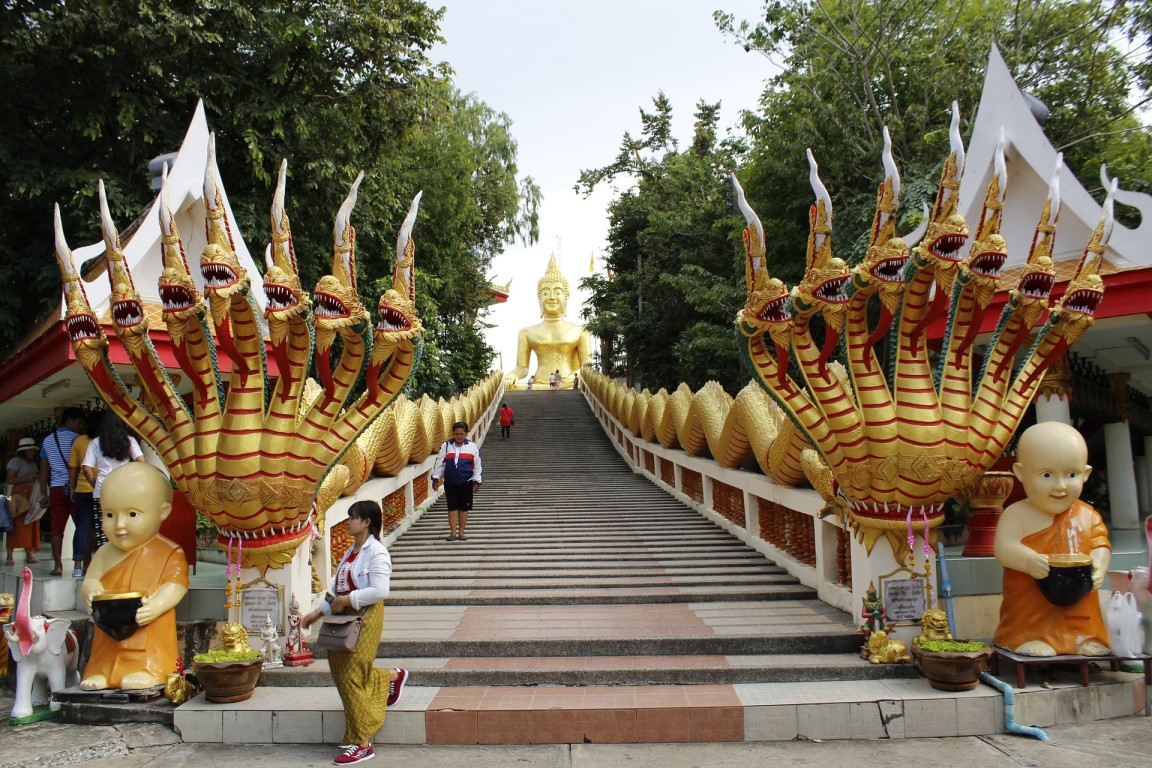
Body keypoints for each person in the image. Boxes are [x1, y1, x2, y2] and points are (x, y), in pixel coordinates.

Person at [301, 500, 407, 766]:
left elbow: (380, 591)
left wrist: (347, 601)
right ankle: (393, 676)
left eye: (353, 517)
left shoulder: (377, 552)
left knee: (351, 675)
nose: (348, 521)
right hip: (342, 620)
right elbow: (338, 590)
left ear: (367, 522)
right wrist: (316, 613)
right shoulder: (351, 551)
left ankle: (361, 743)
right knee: (342, 672)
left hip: (365, 618)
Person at [993, 421, 1111, 656]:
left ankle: (1084, 638)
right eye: (1046, 475)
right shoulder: (1016, 514)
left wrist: (1098, 565)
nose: (1060, 486)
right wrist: (1028, 560)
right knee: (1030, 610)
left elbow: (1100, 543)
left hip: (1079, 595)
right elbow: (1004, 548)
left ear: (1086, 474)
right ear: (1020, 473)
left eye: (1071, 474)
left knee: (1083, 609)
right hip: (1031, 599)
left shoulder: (1087, 515)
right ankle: (1028, 637)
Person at [79, 462, 189, 690]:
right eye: (109, 514)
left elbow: (176, 585)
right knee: (104, 646)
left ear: (163, 512)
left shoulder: (169, 552)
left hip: (146, 621)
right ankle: (102, 672)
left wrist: (157, 605)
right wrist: (90, 591)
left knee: (149, 639)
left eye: (132, 514)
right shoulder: (103, 553)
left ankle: (150, 669)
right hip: (109, 623)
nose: (119, 525)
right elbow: (90, 580)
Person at [508, 254, 592, 389]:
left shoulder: (580, 331)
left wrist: (576, 375)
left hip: (569, 383)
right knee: (512, 386)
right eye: (546, 293)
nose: (551, 297)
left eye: (558, 292)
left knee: (586, 384)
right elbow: (522, 368)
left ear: (566, 297)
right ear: (539, 298)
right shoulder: (526, 332)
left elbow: (587, 365)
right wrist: (512, 375)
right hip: (538, 384)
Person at [82, 411, 145, 549]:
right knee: (126, 528)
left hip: (103, 491)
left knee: (103, 530)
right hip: (125, 491)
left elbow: (86, 469)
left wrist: (95, 484)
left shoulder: (95, 443)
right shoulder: (129, 441)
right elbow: (141, 462)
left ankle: (106, 564)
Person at [38, 407, 85, 576]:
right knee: (82, 527)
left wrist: (44, 492)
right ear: (70, 420)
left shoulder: (47, 441)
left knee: (56, 528)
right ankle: (79, 565)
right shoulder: (78, 439)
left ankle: (58, 565)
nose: (80, 426)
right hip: (75, 489)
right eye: (79, 422)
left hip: (56, 489)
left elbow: (43, 469)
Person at [431, 422, 482, 541]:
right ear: (453, 434)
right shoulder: (446, 446)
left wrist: (476, 481)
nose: (459, 436)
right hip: (450, 481)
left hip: (466, 481)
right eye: (456, 434)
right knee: (452, 507)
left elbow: (477, 466)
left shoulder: (472, 447)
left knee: (464, 508)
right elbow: (440, 463)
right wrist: (435, 478)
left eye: (461, 434)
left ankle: (462, 532)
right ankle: (453, 533)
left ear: (466, 434)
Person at [67, 411, 102, 578]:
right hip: (101, 489)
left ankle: (77, 566)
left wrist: (72, 488)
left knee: (81, 528)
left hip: (82, 489)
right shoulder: (105, 441)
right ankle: (98, 565)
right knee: (102, 529)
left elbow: (73, 467)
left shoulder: (79, 441)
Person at [5, 437, 42, 566]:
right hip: (19, 496)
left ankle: (29, 554)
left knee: (31, 523)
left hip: (32, 495)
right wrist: (30, 477)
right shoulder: (15, 461)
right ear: (23, 451)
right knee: (15, 524)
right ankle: (10, 555)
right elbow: (10, 479)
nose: (32, 453)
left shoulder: (32, 463)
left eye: (33, 451)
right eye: (29, 451)